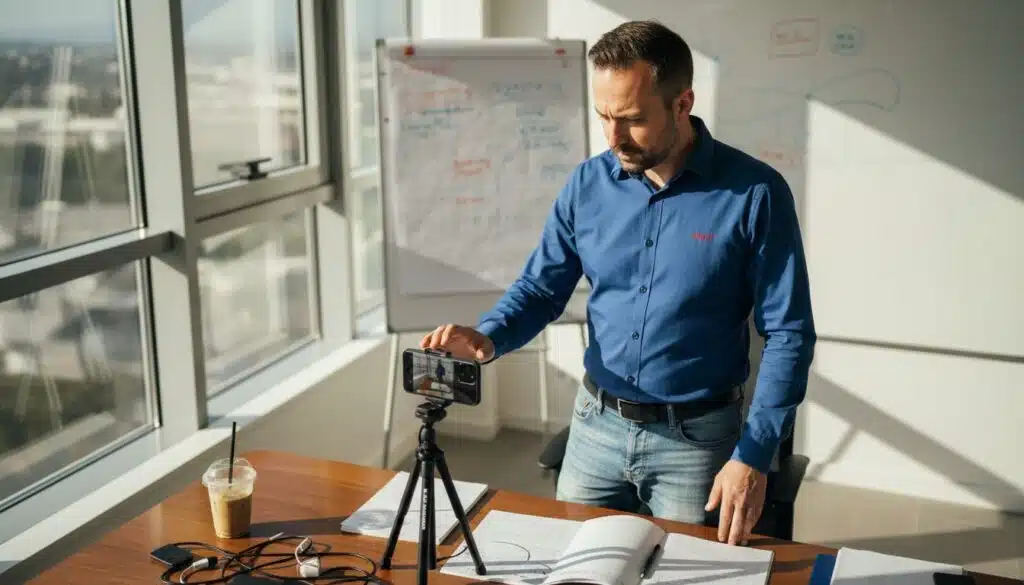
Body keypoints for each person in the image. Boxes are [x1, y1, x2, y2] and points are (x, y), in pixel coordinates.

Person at [420, 20, 815, 546]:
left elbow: (789, 333)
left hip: (695, 442)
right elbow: (541, 290)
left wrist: (754, 455)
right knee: (571, 569)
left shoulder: (755, 194)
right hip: (594, 429)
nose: (613, 137)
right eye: (603, 116)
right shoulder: (586, 184)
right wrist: (488, 336)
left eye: (631, 119)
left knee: (682, 576)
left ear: (682, 103)